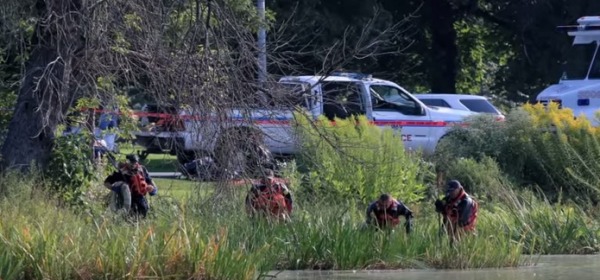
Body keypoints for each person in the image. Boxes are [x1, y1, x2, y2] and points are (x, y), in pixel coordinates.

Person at [104, 154, 158, 218]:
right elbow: (106, 182)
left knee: (143, 213)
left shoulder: (142, 170)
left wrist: (152, 189)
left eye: (134, 163)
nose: (133, 165)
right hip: (127, 198)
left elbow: (150, 182)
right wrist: (115, 189)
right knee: (130, 216)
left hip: (141, 198)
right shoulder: (120, 172)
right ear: (127, 162)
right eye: (131, 162)